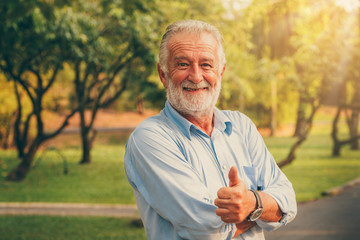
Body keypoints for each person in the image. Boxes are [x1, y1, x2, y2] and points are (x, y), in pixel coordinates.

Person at [124, 19, 297, 240]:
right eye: (183, 64)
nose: (196, 77)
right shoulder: (149, 138)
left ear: (221, 72)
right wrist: (262, 208)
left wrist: (251, 202)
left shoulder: (241, 126)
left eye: (206, 64)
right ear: (163, 74)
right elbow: (206, 230)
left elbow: (289, 202)